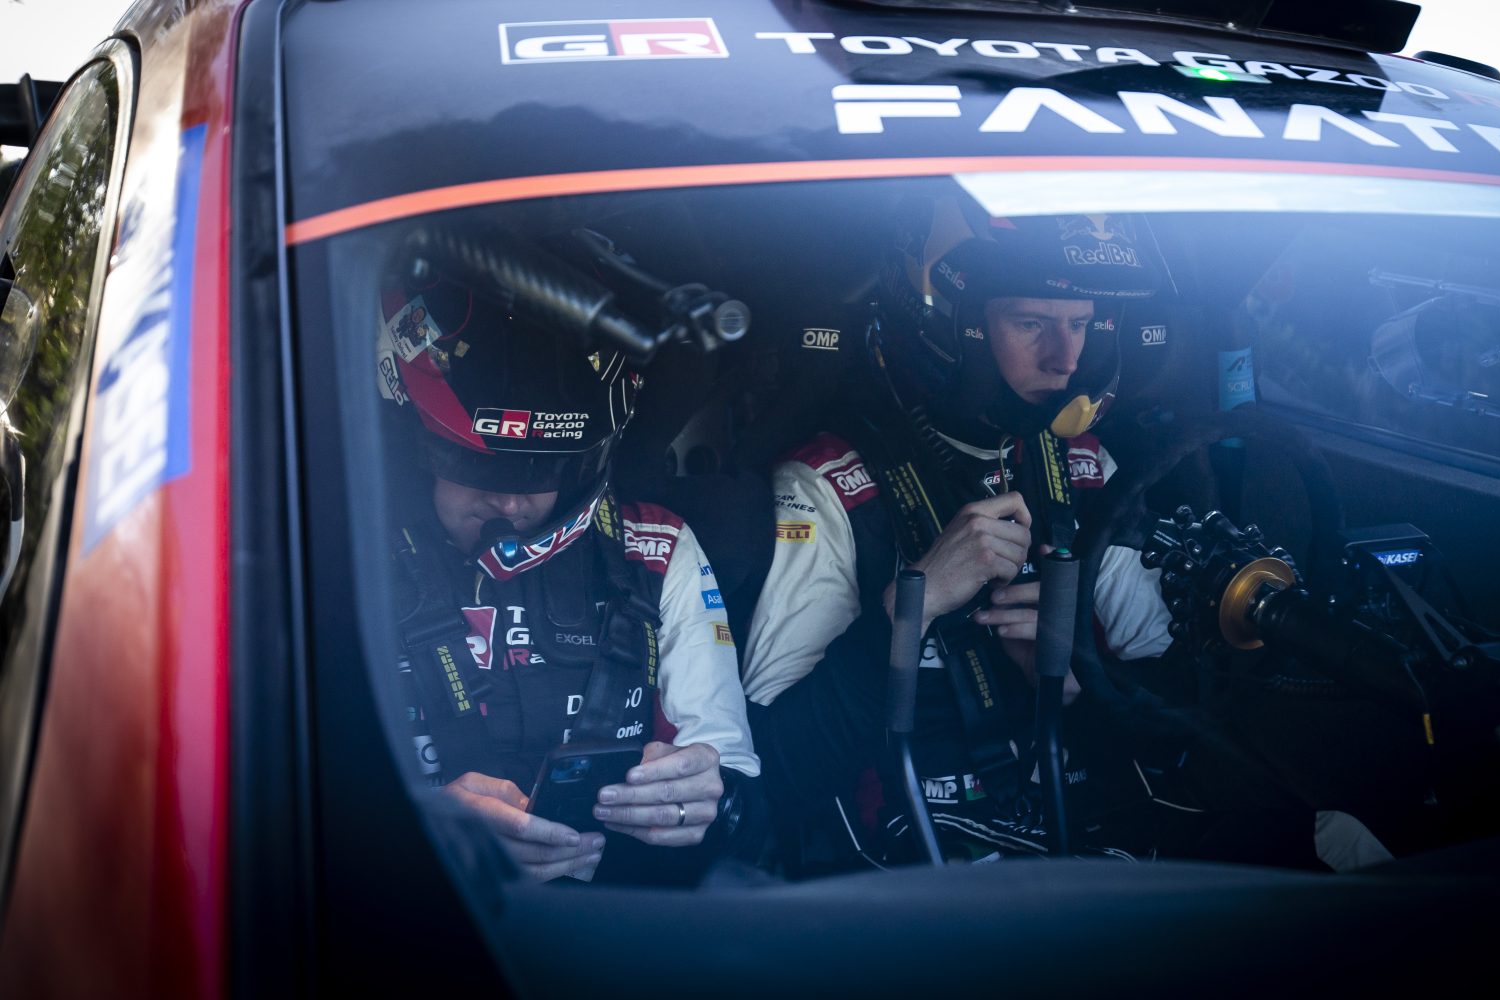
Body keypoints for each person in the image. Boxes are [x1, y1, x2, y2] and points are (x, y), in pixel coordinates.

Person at [742, 205, 1181, 865]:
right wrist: (911, 605)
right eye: (1031, 323)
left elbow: (1182, 721)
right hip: (917, 876)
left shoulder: (1085, 468)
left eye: (1082, 325)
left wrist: (1080, 684)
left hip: (1091, 853)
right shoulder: (830, 485)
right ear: (948, 326)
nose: (1065, 360)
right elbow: (776, 771)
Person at [379, 245, 759, 883]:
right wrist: (413, 832)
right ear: (412, 447)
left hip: (608, 921)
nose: (508, 502)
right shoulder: (339, 554)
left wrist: (709, 803)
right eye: (474, 467)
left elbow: (735, 788)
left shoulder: (656, 548)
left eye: (541, 471)